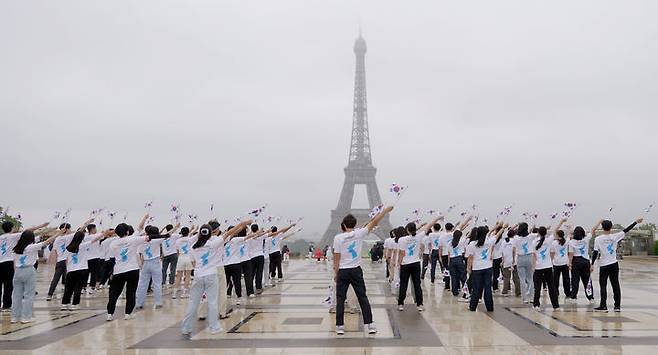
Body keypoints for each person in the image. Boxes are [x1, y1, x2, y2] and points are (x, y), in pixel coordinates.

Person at [181, 221, 251, 338]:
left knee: (193, 302)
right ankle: (214, 327)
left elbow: (193, 262)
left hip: (198, 276)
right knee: (213, 302)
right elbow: (232, 231)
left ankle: (186, 327)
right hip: (212, 275)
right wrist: (245, 223)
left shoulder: (193, 245)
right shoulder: (214, 243)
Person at [333, 205, 393, 335]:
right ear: (355, 225)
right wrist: (385, 211)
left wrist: (336, 273)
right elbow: (375, 221)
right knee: (362, 297)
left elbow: (336, 258)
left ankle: (340, 326)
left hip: (343, 271)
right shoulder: (359, 233)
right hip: (355, 270)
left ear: (343, 225)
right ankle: (370, 325)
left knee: (340, 298)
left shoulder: (338, 238)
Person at [106, 215, 167, 321]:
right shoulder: (133, 239)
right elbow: (144, 232)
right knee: (131, 292)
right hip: (132, 270)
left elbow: (111, 260)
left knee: (114, 293)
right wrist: (145, 218)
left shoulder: (113, 243)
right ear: (127, 232)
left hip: (119, 270)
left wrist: (111, 273)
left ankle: (110, 314)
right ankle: (128, 314)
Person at [591, 217, 643, 312]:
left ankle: (603, 306)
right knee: (615, 284)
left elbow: (595, 252)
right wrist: (636, 221)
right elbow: (627, 229)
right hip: (614, 264)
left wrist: (592, 264)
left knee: (603, 285)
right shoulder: (615, 236)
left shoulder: (598, 239)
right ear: (611, 227)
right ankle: (617, 306)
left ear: (602, 228)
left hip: (604, 265)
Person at [11, 227, 62, 323]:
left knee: (16, 295)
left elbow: (14, 262)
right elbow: (47, 242)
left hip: (18, 271)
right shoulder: (31, 247)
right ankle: (26, 317)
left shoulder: (16, 248)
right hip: (29, 270)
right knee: (28, 295)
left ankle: (15, 317)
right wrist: (58, 234)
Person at [1, 221, 49, 313]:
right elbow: (28, 231)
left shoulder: (1, 237)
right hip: (8, 263)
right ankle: (6, 306)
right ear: (12, 228)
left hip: (0, 262)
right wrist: (41, 225)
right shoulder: (13, 236)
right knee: (8, 285)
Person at [397, 216, 442, 311]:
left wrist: (399, 263)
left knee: (403, 284)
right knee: (417, 284)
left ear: (407, 230)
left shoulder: (402, 239)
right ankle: (419, 304)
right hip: (416, 263)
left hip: (405, 264)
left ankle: (400, 304)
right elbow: (429, 225)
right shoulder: (419, 236)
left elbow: (402, 253)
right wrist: (437, 217)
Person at [61, 229, 110, 311]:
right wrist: (103, 234)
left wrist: (68, 269)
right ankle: (75, 304)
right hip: (82, 270)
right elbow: (94, 240)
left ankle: (64, 304)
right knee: (78, 288)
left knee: (68, 288)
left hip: (71, 271)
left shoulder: (67, 248)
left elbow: (65, 260)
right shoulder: (82, 246)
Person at [135, 223, 178, 310]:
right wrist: (176, 228)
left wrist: (140, 265)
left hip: (145, 263)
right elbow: (167, 235)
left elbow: (139, 254)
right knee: (157, 284)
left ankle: (139, 303)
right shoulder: (157, 240)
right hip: (155, 263)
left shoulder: (141, 241)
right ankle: (158, 302)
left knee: (142, 284)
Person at [466, 225, 502, 312]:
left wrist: (468, 268)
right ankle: (489, 307)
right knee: (487, 288)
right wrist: (503, 227)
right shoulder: (490, 241)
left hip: (477, 268)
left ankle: (473, 307)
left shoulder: (472, 244)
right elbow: (497, 235)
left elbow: (470, 258)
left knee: (476, 288)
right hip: (488, 268)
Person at [531, 222, 565, 311]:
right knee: (551, 287)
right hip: (548, 266)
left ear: (538, 233)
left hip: (538, 267)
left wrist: (533, 266)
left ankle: (536, 305)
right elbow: (555, 230)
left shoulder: (534, 242)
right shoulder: (549, 240)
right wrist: (561, 221)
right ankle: (555, 306)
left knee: (537, 287)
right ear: (546, 233)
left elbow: (534, 256)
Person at [443, 216, 472, 300]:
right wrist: (468, 219)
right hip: (459, 259)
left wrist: (449, 263)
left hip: (452, 260)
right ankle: (466, 290)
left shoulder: (450, 243)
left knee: (454, 276)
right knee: (463, 276)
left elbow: (448, 254)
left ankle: (455, 291)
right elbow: (464, 232)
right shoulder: (462, 241)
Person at [567, 224, 595, 303]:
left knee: (575, 280)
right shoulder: (586, 239)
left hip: (576, 261)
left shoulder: (571, 242)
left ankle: (573, 297)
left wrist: (570, 264)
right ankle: (590, 297)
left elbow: (571, 254)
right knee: (587, 280)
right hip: (585, 261)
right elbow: (593, 230)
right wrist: (599, 222)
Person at [46, 223, 74, 301]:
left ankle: (50, 294)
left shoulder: (57, 239)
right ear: (66, 229)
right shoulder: (68, 237)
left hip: (60, 261)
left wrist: (53, 261)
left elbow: (54, 251)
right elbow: (79, 232)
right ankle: (67, 296)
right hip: (66, 261)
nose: (70, 230)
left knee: (56, 278)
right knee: (67, 279)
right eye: (70, 229)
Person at [512, 222, 535, 304]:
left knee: (522, 279)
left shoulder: (516, 238)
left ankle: (524, 298)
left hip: (520, 258)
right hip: (529, 257)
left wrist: (513, 260)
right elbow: (538, 234)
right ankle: (532, 298)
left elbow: (514, 250)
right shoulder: (530, 236)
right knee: (530, 278)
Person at [172, 226, 196, 299]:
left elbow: (177, 251)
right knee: (188, 276)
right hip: (188, 258)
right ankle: (184, 293)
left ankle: (174, 294)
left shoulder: (178, 241)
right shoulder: (190, 239)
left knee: (178, 276)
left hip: (181, 258)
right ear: (188, 232)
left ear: (181, 233)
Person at [551, 228, 571, 300]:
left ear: (557, 235)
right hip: (565, 262)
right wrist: (569, 228)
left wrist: (551, 261)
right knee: (566, 279)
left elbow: (552, 253)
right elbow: (569, 235)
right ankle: (568, 293)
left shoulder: (554, 243)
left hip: (556, 263)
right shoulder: (566, 241)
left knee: (555, 279)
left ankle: (556, 292)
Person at [161, 224, 180, 289]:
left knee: (164, 269)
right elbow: (184, 235)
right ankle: (171, 282)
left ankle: (163, 282)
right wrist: (176, 227)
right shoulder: (174, 235)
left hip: (165, 255)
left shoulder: (163, 236)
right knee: (173, 268)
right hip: (173, 254)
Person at [438, 223, 456, 291]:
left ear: (445, 228)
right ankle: (456, 287)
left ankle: (447, 286)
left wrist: (440, 257)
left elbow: (440, 248)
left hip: (444, 254)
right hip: (453, 254)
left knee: (446, 270)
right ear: (452, 228)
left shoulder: (442, 236)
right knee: (454, 271)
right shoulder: (454, 235)